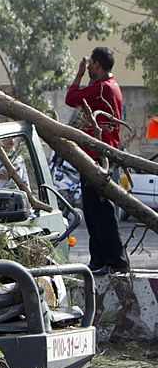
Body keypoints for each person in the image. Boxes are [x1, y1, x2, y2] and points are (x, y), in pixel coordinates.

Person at [65, 46, 129, 275]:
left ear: (98, 65)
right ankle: (100, 260)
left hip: (99, 158)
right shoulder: (106, 87)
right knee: (93, 212)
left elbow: (71, 98)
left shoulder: (102, 88)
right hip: (96, 156)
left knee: (101, 212)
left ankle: (115, 261)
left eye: (90, 63)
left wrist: (79, 73)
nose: (88, 65)